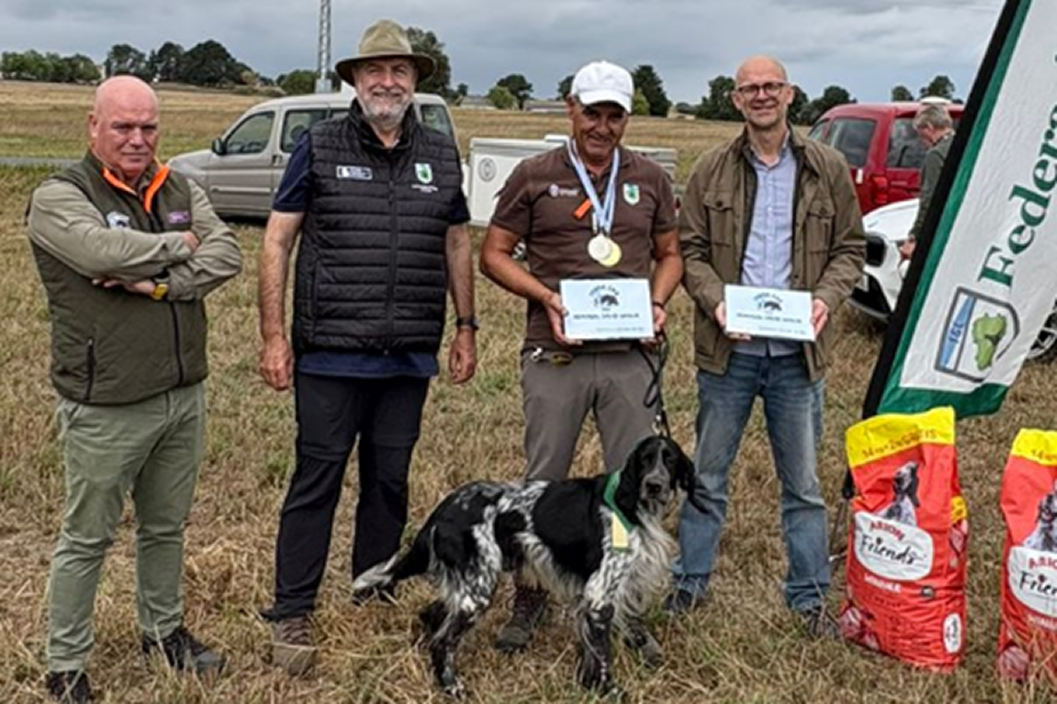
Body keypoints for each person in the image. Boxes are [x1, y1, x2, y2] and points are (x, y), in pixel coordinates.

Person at [257, 19, 476, 675]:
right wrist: (273, 335)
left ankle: (371, 586)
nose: (387, 81)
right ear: (354, 79)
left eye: (400, 71)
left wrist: (466, 326)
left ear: (414, 82)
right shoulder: (318, 146)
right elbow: (276, 240)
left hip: (407, 355)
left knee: (388, 482)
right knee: (316, 480)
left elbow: (457, 240)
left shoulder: (440, 153)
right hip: (328, 353)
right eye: (374, 70)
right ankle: (291, 609)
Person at [26, 75, 242, 704]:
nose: (138, 139)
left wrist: (158, 282)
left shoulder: (178, 184)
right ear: (92, 126)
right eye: (123, 126)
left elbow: (225, 255)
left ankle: (163, 631)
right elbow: (99, 254)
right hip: (106, 401)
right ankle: (65, 665)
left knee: (165, 527)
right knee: (87, 536)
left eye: (148, 126)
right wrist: (180, 246)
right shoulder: (59, 195)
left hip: (181, 392)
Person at [479, 60, 683, 652]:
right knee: (542, 483)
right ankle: (531, 596)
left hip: (627, 356)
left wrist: (658, 301)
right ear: (571, 108)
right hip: (555, 351)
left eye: (613, 114)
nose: (601, 125)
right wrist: (546, 299)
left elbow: (670, 253)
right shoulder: (535, 174)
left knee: (634, 487)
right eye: (591, 112)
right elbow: (494, 252)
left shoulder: (649, 176)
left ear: (626, 117)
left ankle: (629, 602)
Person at [667, 56, 865, 636]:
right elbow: (691, 251)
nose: (761, 96)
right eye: (750, 88)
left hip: (797, 357)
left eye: (770, 86)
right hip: (730, 352)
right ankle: (689, 581)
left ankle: (807, 596)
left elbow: (850, 248)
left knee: (802, 484)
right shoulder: (710, 168)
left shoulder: (827, 167)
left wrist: (827, 297)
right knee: (708, 475)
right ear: (734, 99)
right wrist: (715, 304)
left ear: (789, 94)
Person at [899, 103, 955, 260]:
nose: (921, 141)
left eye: (921, 134)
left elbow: (930, 200)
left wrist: (914, 237)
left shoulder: (936, 155)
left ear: (930, 128)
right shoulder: (964, 146)